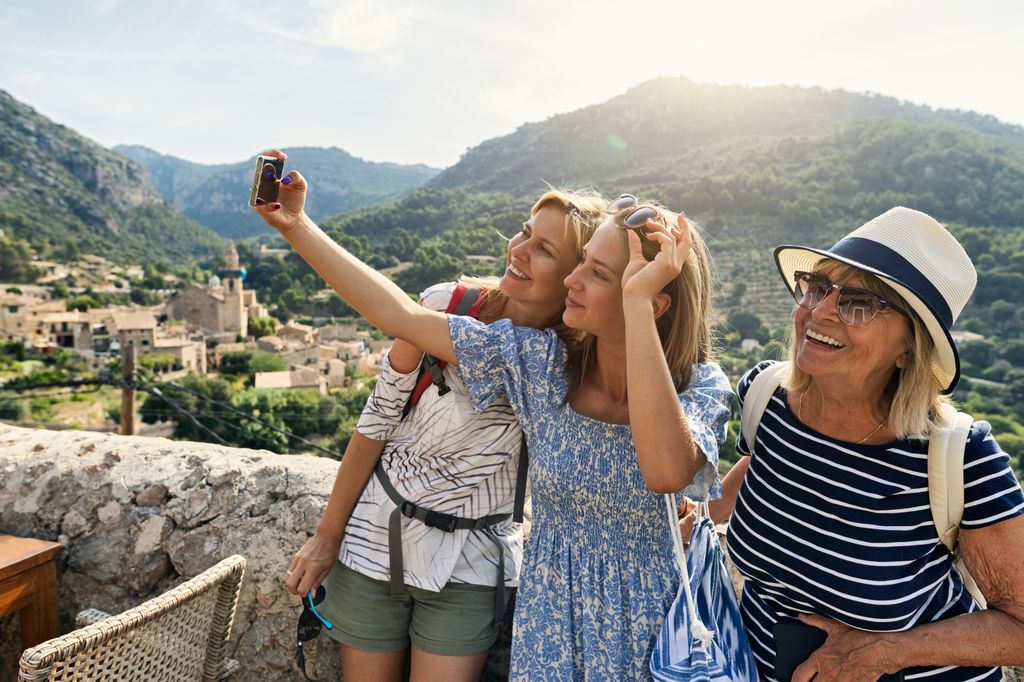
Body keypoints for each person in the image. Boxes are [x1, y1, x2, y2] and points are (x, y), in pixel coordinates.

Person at [253, 152, 733, 680]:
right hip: (551, 621)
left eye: (596, 273)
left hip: (650, 622)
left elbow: (665, 472)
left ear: (652, 302)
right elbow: (401, 315)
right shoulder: (542, 365)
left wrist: (637, 303)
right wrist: (295, 225)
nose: (573, 280)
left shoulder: (701, 387)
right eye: (579, 263)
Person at [280, 182, 608, 681]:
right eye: (524, 233)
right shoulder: (447, 304)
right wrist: (327, 536)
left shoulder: (568, 363)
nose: (518, 250)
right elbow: (378, 420)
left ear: (576, 275)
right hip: (376, 537)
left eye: (544, 249)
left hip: (471, 562)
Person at [718, 207, 1024, 681]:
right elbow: (764, 474)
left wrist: (883, 652)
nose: (819, 311)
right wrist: (701, 513)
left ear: (909, 347)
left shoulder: (962, 459)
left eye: (857, 303)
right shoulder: (767, 398)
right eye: (818, 288)